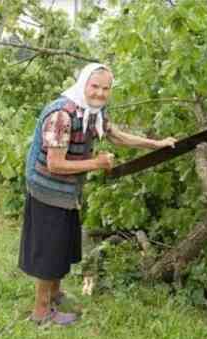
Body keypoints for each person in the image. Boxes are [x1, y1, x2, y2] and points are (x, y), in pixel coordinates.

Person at [18, 63, 178, 325]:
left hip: (68, 190)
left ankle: (55, 294)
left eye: (106, 88)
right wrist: (97, 163)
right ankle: (41, 313)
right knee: (48, 251)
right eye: (95, 86)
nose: (100, 93)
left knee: (60, 246)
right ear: (83, 84)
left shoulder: (93, 111)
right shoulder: (62, 116)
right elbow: (55, 164)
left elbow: (116, 136)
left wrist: (155, 144)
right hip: (48, 190)